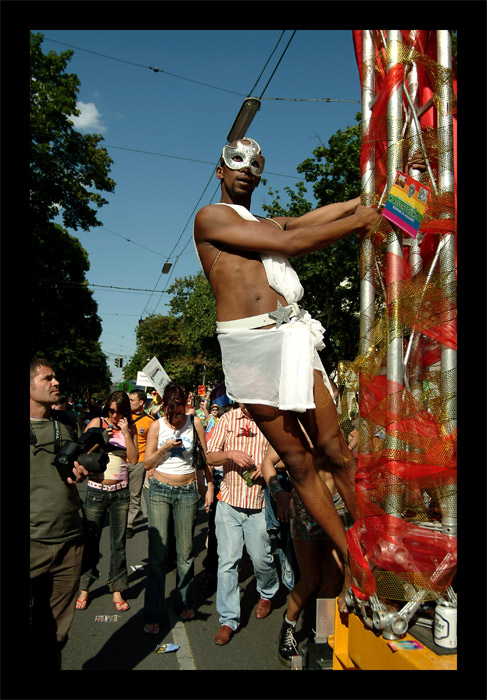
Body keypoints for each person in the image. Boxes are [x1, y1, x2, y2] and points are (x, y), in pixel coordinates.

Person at [193, 136, 380, 610]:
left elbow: (300, 221)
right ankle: (353, 557)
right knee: (297, 461)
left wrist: (365, 199)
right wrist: (361, 221)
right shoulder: (211, 217)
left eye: (256, 164)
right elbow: (288, 240)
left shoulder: (260, 221)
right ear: (219, 171)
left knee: (335, 450)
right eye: (236, 162)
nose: (246, 169)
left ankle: (375, 546)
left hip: (290, 338)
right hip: (247, 346)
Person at [262, 442, 351, 666]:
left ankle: (320, 633)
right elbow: (267, 462)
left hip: (337, 506)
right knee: (310, 579)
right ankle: (288, 627)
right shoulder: (295, 428)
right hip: (305, 506)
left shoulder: (337, 424)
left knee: (335, 576)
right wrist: (278, 493)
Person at [30, 358, 90, 670]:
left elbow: (79, 463)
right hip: (32, 542)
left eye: (56, 378)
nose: (56, 383)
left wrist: (82, 469)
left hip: (69, 540)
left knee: (56, 633)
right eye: (47, 378)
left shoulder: (67, 423)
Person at [206, 403, 280, 646]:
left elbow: (285, 456)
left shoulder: (270, 420)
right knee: (227, 561)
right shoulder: (227, 420)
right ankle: (228, 619)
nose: (246, 406)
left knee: (261, 558)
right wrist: (230, 454)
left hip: (258, 503)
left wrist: (265, 467)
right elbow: (209, 454)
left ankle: (267, 591)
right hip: (228, 503)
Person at [143, 383, 213, 635]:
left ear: (186, 406)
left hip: (186, 492)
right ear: (164, 409)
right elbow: (146, 463)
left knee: (185, 552)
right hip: (160, 490)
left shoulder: (194, 424)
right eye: (171, 414)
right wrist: (163, 449)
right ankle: (153, 612)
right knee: (158, 555)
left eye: (180, 413)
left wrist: (209, 487)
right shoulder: (156, 426)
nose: (175, 419)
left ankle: (185, 601)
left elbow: (204, 459)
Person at [75, 391, 139, 612]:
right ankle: (84, 588)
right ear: (106, 409)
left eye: (120, 412)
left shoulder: (129, 427)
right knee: (91, 541)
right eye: (112, 411)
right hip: (96, 491)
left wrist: (125, 434)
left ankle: (117, 589)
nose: (115, 415)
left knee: (118, 544)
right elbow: (81, 452)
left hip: (120, 493)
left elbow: (133, 458)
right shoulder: (97, 422)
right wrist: (103, 436)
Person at [126, 389, 155, 538]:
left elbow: (152, 444)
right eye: (129, 400)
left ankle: (129, 524)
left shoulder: (150, 421)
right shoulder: (123, 417)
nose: (129, 403)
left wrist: (151, 467)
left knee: (134, 494)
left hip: (139, 462)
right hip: (120, 461)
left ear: (142, 402)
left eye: (132, 400)